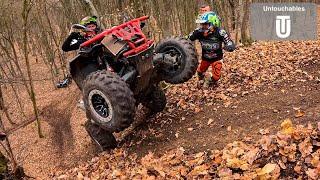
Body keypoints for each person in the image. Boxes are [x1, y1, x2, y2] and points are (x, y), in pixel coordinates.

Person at [189, 12, 235, 87]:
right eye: (202, 24)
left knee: (216, 77)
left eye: (205, 24)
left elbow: (229, 41)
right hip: (205, 58)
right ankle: (202, 80)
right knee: (200, 72)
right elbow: (187, 38)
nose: (203, 26)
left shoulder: (220, 32)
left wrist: (229, 46)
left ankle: (209, 81)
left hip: (217, 58)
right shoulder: (198, 32)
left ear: (213, 23)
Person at [57, 16, 101, 88]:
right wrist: (72, 36)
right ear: (84, 29)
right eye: (89, 27)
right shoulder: (82, 40)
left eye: (93, 26)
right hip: (92, 65)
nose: (91, 29)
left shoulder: (101, 34)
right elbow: (65, 48)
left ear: (96, 27)